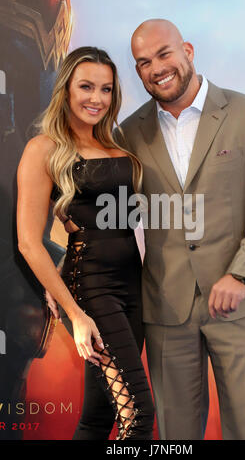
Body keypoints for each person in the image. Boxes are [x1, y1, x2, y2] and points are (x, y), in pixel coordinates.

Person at [111, 19, 245, 440]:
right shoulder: (129, 133)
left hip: (238, 303)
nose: (156, 68)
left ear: (187, 50)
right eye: (143, 63)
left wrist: (242, 274)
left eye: (163, 54)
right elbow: (120, 213)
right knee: (176, 437)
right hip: (165, 310)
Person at [16, 46, 154, 441]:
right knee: (138, 416)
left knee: (98, 417)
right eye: (86, 87)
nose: (97, 98)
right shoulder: (43, 148)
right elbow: (29, 243)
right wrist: (75, 314)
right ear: (66, 90)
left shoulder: (117, 145)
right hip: (92, 290)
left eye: (106, 89)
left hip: (133, 286)